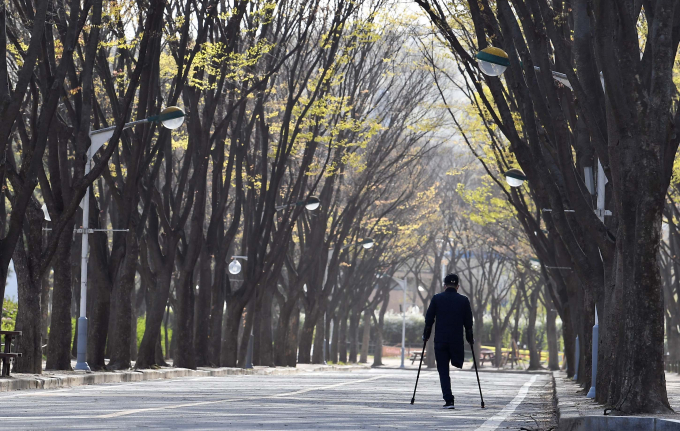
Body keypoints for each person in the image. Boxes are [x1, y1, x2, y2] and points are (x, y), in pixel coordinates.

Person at [422, 273, 474, 409]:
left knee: (443, 371)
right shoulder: (464, 300)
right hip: (456, 341)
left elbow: (429, 319)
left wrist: (426, 335)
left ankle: (449, 400)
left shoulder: (437, 298)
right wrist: (470, 338)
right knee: (456, 362)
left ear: (444, 285)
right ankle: (456, 362)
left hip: (441, 340)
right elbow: (468, 322)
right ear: (458, 286)